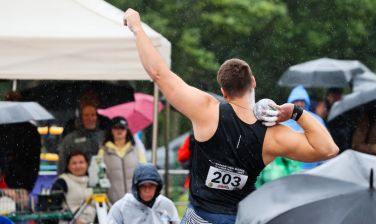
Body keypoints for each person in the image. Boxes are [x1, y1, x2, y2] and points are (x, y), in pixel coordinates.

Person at [123, 8, 339, 223]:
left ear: (223, 91)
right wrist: (296, 112)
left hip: (199, 217)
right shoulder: (271, 135)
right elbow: (328, 149)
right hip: (239, 219)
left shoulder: (207, 110)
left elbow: (159, 73)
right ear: (253, 82)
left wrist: (137, 28)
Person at [107, 164, 180, 224]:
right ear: (136, 188)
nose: (147, 190)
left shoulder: (166, 204)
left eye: (151, 186)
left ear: (157, 187)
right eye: (143, 186)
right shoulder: (120, 207)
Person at [97, 116, 147, 204]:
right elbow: (99, 176)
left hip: (135, 202)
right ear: (111, 130)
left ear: (127, 130)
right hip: (112, 203)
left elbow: (144, 172)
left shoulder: (136, 149)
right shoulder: (103, 151)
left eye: (122, 128)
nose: (119, 131)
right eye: (116, 128)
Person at [57, 103, 105, 174]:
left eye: (93, 115)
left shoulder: (105, 136)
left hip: (100, 180)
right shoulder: (70, 139)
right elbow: (62, 163)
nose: (90, 118)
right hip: (78, 181)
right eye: (86, 115)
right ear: (81, 118)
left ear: (96, 117)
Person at [51, 150, 96, 224]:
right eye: (74, 163)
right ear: (68, 166)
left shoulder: (94, 181)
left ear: (87, 164)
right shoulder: (62, 181)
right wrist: (72, 220)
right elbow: (54, 208)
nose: (78, 166)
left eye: (81, 162)